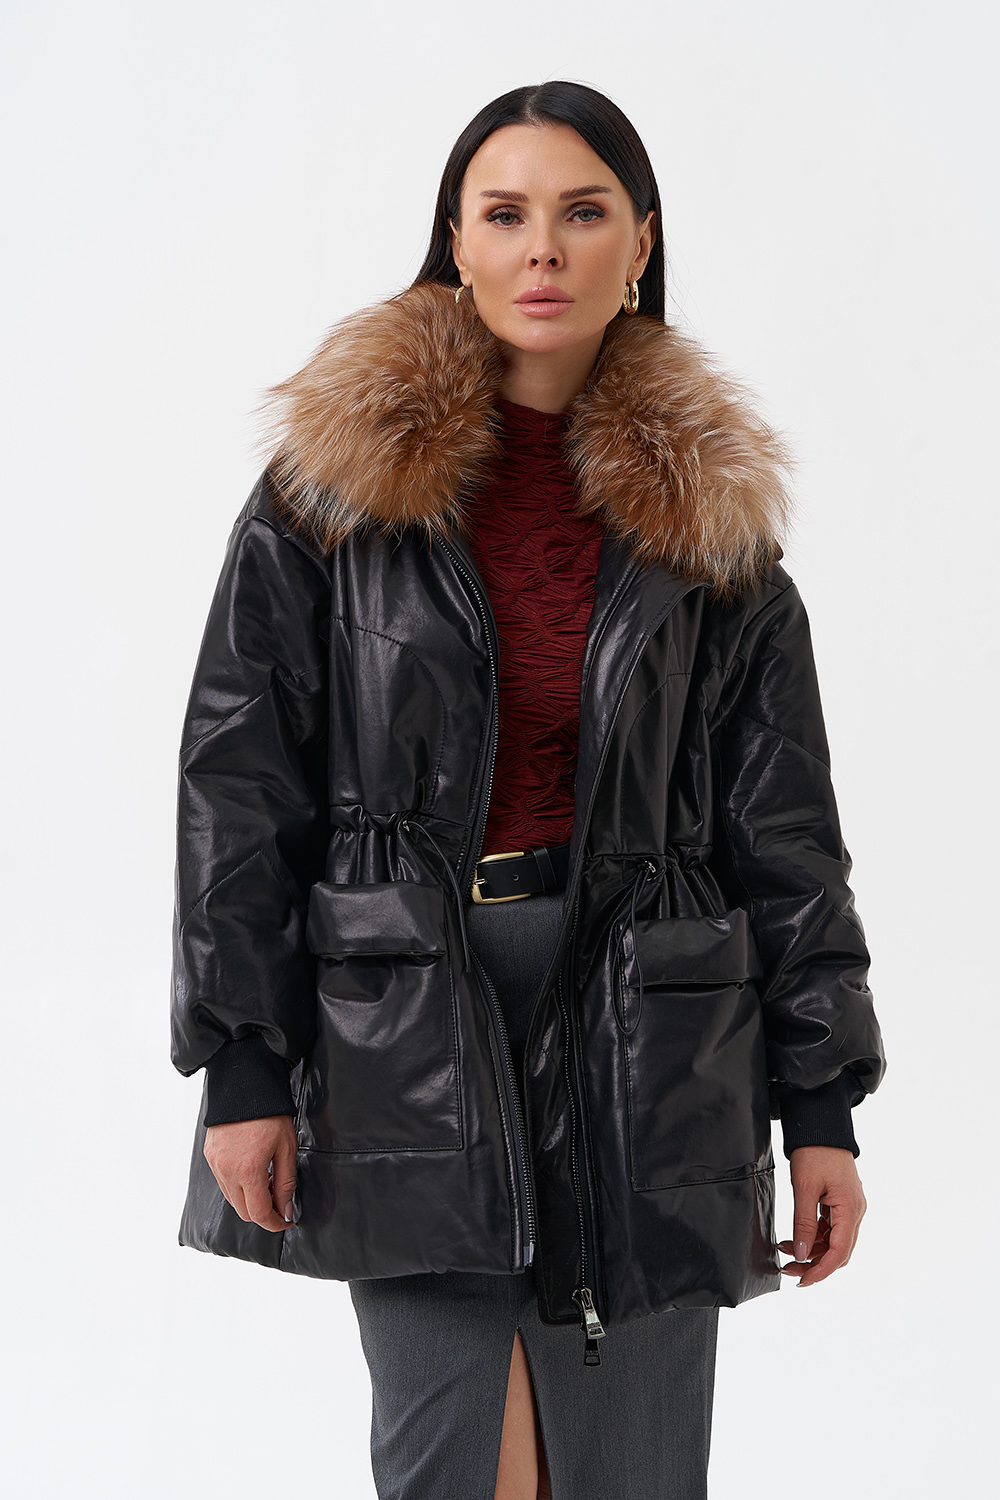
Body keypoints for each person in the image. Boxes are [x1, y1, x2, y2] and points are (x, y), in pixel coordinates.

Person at [170, 81, 886, 1500]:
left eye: (582, 211)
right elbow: (239, 781)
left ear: (641, 243)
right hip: (406, 1028)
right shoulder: (335, 491)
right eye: (505, 214)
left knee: (631, 1470)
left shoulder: (710, 521)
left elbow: (786, 834)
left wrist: (821, 1106)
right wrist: (244, 1061)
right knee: (454, 1464)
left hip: (653, 1032)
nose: (543, 248)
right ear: (457, 242)